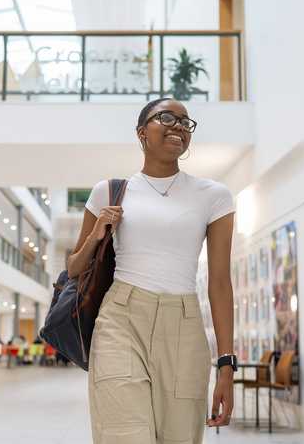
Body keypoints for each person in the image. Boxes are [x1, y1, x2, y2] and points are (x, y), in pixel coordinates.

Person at [67, 98, 236, 444]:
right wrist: (98, 231)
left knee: (178, 436)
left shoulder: (213, 196)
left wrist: (226, 365)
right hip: (121, 320)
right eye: (166, 118)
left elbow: (219, 283)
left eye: (185, 123)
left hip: (185, 326)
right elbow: (74, 267)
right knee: (124, 435)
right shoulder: (109, 192)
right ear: (142, 133)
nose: (178, 126)